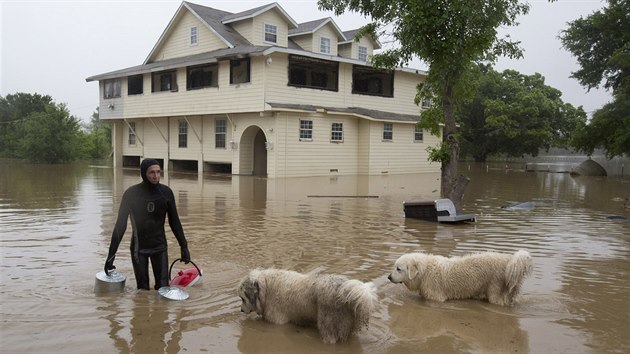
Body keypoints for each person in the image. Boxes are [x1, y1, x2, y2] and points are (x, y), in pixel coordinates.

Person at [104, 158, 191, 290]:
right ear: (144, 173)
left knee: (163, 288)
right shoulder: (131, 194)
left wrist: (184, 246)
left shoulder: (166, 193)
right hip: (139, 249)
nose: (156, 176)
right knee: (142, 290)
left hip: (160, 247)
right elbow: (120, 226)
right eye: (152, 172)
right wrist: (111, 255)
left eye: (158, 172)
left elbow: (175, 222)